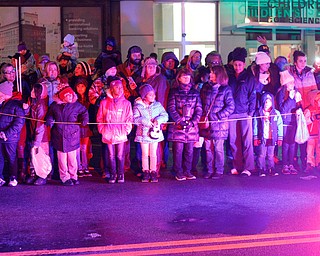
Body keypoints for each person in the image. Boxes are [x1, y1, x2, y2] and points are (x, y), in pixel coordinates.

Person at [46, 84, 89, 186]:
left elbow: (84, 112)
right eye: (67, 95)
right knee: (62, 159)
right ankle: (64, 177)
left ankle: (73, 176)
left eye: (71, 95)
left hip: (72, 135)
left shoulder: (76, 105)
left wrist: (84, 120)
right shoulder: (55, 106)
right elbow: (50, 114)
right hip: (59, 135)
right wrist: (49, 119)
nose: (70, 97)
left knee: (72, 159)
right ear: (62, 96)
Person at [200, 65, 235, 179]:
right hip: (207, 124)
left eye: (213, 73)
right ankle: (209, 169)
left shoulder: (226, 89)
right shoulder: (206, 87)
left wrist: (217, 116)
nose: (210, 75)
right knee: (208, 148)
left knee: (218, 148)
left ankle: (219, 170)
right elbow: (201, 103)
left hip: (219, 124)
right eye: (210, 73)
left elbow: (230, 107)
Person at [167, 68, 202, 181]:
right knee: (178, 150)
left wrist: (193, 122)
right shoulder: (174, 91)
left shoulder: (195, 92)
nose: (186, 78)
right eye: (184, 76)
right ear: (179, 78)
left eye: (188, 76)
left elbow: (199, 109)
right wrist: (179, 120)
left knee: (189, 150)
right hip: (178, 126)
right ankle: (178, 171)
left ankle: (188, 170)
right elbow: (171, 108)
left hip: (191, 126)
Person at [96, 77, 133, 183]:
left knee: (120, 155)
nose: (120, 89)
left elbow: (129, 118)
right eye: (117, 87)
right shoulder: (104, 103)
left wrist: (126, 130)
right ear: (112, 89)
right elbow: (99, 117)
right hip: (108, 133)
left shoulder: (126, 103)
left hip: (121, 133)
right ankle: (113, 174)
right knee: (111, 155)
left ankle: (121, 174)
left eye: (121, 87)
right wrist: (102, 129)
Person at [228, 47, 256, 177]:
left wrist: (251, 112)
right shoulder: (230, 77)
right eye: (235, 64)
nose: (237, 67)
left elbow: (252, 96)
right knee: (234, 140)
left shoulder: (249, 77)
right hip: (232, 113)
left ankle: (248, 167)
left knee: (247, 141)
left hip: (245, 113)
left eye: (239, 64)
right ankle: (237, 165)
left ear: (244, 65)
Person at [288, 50, 317, 171]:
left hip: (307, 110)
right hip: (295, 109)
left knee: (306, 136)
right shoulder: (289, 73)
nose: (303, 63)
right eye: (300, 61)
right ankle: (293, 161)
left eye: (305, 61)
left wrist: (310, 108)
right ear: (295, 62)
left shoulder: (309, 73)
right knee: (295, 135)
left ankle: (306, 162)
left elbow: (314, 92)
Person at [133, 84, 168, 182]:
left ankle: (153, 171)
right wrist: (144, 121)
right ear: (144, 96)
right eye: (150, 95)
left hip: (154, 133)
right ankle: (145, 171)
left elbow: (165, 115)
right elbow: (134, 119)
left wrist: (159, 119)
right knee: (144, 153)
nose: (153, 97)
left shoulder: (157, 105)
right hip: (143, 133)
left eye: (154, 95)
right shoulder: (138, 106)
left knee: (153, 153)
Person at [276, 70, 301, 175]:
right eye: (290, 82)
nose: (292, 84)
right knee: (286, 144)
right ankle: (285, 164)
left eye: (293, 82)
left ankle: (291, 164)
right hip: (285, 122)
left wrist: (299, 108)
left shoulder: (296, 92)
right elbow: (282, 109)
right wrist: (290, 99)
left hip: (294, 121)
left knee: (293, 144)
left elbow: (298, 105)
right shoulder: (281, 93)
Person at [0, 81, 25, 187]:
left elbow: (19, 122)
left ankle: (13, 177)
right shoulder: (2, 103)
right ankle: (1, 177)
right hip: (0, 134)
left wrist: (7, 133)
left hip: (10, 137)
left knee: (11, 157)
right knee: (0, 157)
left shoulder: (16, 104)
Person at [253, 92, 283, 177]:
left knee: (270, 154)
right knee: (261, 154)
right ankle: (261, 168)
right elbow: (255, 125)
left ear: (272, 102)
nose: (266, 104)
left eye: (269, 102)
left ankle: (271, 168)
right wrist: (255, 137)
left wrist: (280, 137)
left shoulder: (276, 113)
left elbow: (280, 125)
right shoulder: (258, 113)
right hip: (262, 137)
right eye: (265, 101)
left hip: (272, 138)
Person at [27, 83, 51, 185]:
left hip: (42, 137)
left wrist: (37, 141)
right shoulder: (34, 102)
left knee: (42, 155)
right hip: (35, 134)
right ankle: (36, 174)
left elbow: (40, 125)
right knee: (35, 155)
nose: (32, 92)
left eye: (34, 90)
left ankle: (43, 175)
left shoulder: (41, 105)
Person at [74, 78, 93, 177]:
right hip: (76, 126)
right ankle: (78, 167)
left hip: (86, 126)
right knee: (77, 147)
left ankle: (85, 166)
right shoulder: (74, 99)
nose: (80, 89)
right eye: (78, 86)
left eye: (82, 86)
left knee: (84, 148)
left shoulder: (89, 99)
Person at [303, 90, 320, 175]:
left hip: (319, 134)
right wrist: (312, 119)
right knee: (310, 150)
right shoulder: (309, 110)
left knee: (319, 150)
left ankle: (318, 164)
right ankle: (310, 165)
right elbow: (304, 121)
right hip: (311, 134)